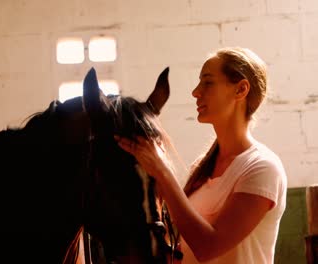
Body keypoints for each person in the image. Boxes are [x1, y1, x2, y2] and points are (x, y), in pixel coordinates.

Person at [115, 47, 287, 263]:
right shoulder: (202, 166)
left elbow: (208, 248)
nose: (196, 92)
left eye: (207, 82)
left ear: (241, 90)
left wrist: (162, 172)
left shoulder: (262, 167)